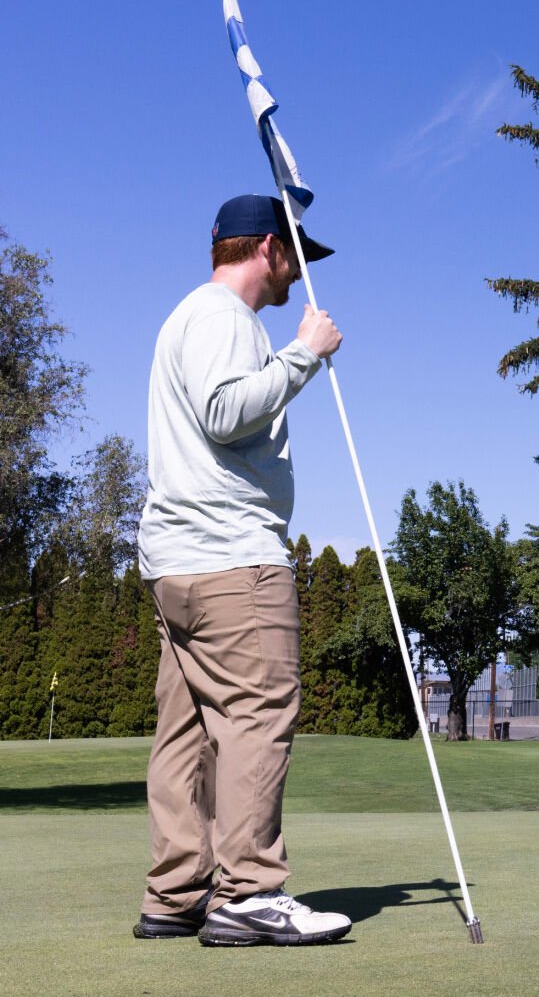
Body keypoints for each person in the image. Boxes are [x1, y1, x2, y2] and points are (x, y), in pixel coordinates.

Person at [133, 195, 352, 947]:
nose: (301, 271)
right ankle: (252, 892)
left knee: (188, 732)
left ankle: (175, 893)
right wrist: (304, 355)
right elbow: (227, 414)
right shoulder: (228, 319)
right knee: (258, 716)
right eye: (297, 253)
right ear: (267, 248)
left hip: (178, 565)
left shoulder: (186, 316)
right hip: (233, 559)